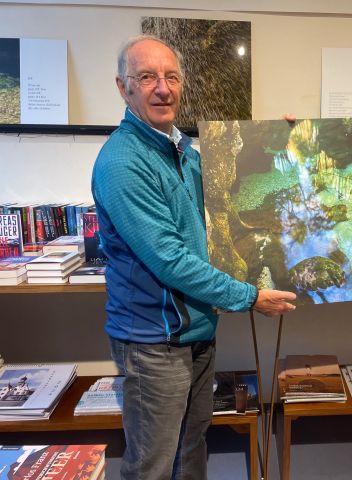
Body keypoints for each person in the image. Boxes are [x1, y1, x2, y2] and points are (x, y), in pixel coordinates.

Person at [91, 35, 296, 480]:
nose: (162, 88)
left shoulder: (181, 151)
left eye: (171, 77)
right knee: (152, 464)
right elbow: (169, 259)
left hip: (196, 333)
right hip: (153, 344)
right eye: (147, 77)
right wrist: (249, 296)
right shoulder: (124, 162)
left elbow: (225, 197)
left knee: (191, 450)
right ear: (123, 87)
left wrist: (270, 141)